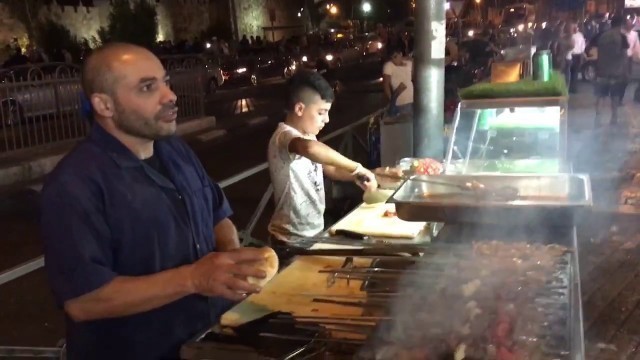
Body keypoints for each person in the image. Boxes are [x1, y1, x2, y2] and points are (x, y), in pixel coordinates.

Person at [40, 43, 268, 360]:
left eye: (165, 81)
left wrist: (232, 262)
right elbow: (84, 300)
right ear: (104, 105)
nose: (170, 95)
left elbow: (217, 214)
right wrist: (194, 278)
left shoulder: (175, 149)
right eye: (148, 87)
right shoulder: (73, 186)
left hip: (208, 339)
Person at [267, 70, 378, 243]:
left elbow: (331, 169)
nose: (326, 119)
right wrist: (356, 166)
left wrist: (358, 175)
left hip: (314, 232)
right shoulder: (284, 136)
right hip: (288, 240)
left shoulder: (308, 135)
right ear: (299, 109)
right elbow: (311, 149)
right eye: (321, 112)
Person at [594, 15, 629, 125]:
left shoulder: (602, 36)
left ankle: (597, 118)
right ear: (620, 25)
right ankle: (614, 118)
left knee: (600, 95)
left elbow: (596, 51)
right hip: (616, 72)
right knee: (615, 96)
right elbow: (624, 56)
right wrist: (625, 71)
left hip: (602, 71)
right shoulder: (622, 37)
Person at [382, 47, 413, 117]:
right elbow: (386, 84)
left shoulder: (409, 63)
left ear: (400, 54)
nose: (394, 60)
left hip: (413, 99)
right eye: (392, 58)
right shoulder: (389, 65)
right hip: (401, 102)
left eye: (396, 57)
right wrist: (392, 100)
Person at [568, 22, 586, 93]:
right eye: (573, 27)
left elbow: (583, 45)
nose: (575, 28)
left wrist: (582, 53)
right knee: (569, 72)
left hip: (577, 55)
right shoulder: (569, 36)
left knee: (575, 72)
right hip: (571, 55)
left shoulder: (580, 35)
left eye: (576, 27)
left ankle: (574, 88)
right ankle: (569, 87)